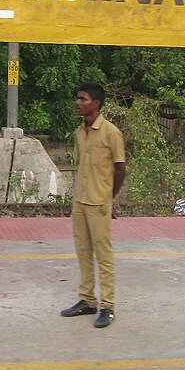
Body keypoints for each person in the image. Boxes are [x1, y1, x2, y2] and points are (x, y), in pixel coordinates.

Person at [60, 82, 126, 328]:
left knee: (104, 256)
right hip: (80, 201)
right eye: (77, 98)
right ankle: (87, 300)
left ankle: (107, 306)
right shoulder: (80, 132)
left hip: (99, 203)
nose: (77, 103)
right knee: (83, 252)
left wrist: (109, 198)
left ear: (95, 104)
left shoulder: (111, 133)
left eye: (82, 99)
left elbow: (120, 169)